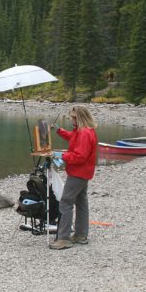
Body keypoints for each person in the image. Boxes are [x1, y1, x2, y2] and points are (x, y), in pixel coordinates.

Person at [49, 106, 98, 250]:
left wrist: (61, 155)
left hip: (78, 172)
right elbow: (72, 137)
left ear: (79, 118)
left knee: (65, 202)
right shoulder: (83, 131)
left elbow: (80, 156)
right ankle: (81, 235)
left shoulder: (84, 133)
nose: (71, 119)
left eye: (73, 117)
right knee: (81, 202)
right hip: (84, 172)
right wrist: (59, 130)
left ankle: (63, 238)